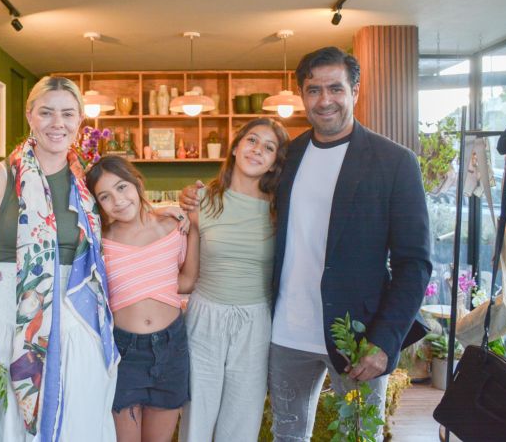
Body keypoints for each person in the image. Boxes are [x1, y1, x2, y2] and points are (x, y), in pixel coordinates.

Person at [266, 47, 431, 441]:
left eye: (335, 88)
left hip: (359, 338)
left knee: (359, 437)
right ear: (302, 95)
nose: (325, 100)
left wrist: (384, 343)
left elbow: (415, 263)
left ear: (355, 90)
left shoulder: (395, 162)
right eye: (314, 90)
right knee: (286, 436)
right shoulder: (287, 157)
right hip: (286, 333)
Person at [0, 76, 120, 441]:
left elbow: (130, 220)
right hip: (9, 319)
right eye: (47, 112)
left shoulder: (87, 185)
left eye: (68, 114)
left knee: (77, 427)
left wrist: (179, 216)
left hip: (77, 324)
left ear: (79, 122)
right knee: (8, 426)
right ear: (29, 115)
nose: (58, 123)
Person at [177, 117, 290, 442]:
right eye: (252, 140)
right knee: (196, 419)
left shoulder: (279, 210)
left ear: (274, 163)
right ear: (237, 146)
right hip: (205, 317)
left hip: (255, 321)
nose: (257, 150)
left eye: (269, 148)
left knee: (241, 423)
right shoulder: (201, 200)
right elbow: (189, 275)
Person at [84, 155, 199, 442]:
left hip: (172, 349)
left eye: (122, 188)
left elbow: (185, 282)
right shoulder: (99, 241)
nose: (118, 200)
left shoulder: (173, 228)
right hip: (124, 352)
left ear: (137, 183)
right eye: (105, 196)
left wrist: (193, 228)